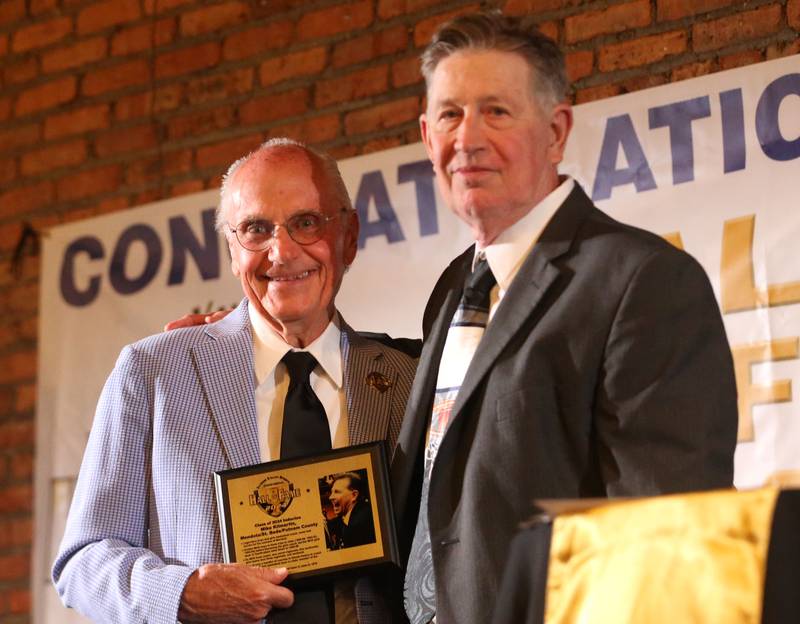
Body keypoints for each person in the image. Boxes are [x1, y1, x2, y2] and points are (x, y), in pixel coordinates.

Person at [389, 11, 738, 624]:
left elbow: (662, 538)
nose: (467, 138)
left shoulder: (643, 282)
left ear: (555, 131)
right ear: (426, 135)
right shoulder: (452, 288)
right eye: (449, 113)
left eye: (496, 111)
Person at [52, 138, 417, 624]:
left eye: (306, 223)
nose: (281, 252)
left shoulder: (411, 377)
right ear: (231, 249)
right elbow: (82, 561)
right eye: (256, 229)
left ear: (348, 237)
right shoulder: (154, 372)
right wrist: (180, 592)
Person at [327, 472, 376, 549]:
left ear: (354, 495)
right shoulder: (355, 511)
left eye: (337, 492)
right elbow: (339, 521)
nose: (330, 497)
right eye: (331, 492)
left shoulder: (358, 524)